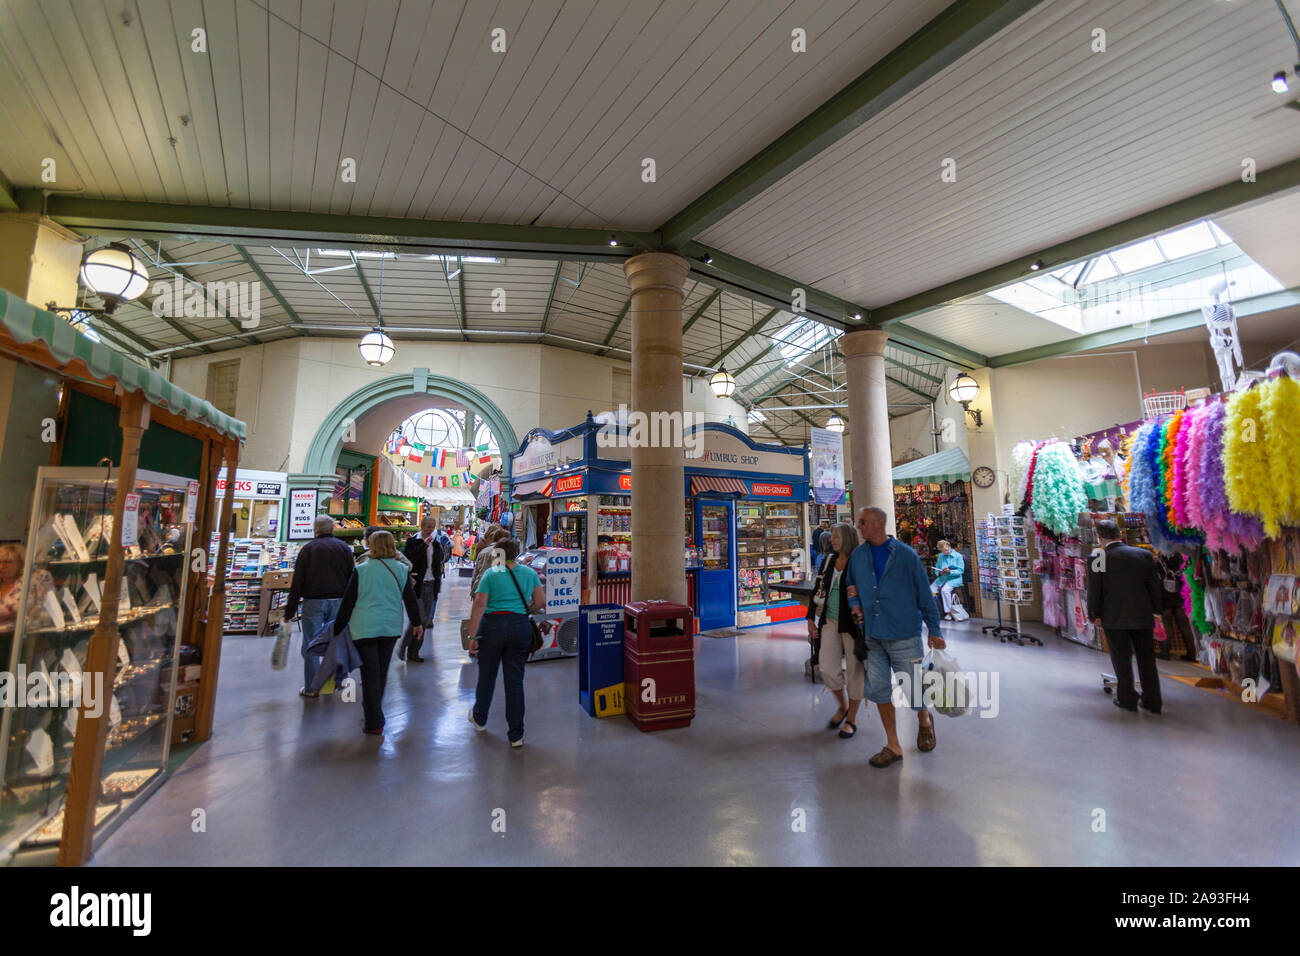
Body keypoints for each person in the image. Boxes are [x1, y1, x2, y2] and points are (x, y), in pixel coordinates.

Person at [845, 506, 944, 769]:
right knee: (879, 689)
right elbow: (850, 585)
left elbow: (925, 594)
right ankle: (893, 744)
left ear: (878, 523)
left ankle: (924, 720)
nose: (859, 526)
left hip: (904, 633)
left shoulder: (906, 556)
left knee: (913, 688)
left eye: (863, 522)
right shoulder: (858, 556)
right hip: (872, 635)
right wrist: (854, 604)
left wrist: (935, 630)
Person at [332, 531, 422, 735]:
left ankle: (374, 720)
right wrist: (417, 623)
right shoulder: (401, 569)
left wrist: (337, 628)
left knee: (370, 672)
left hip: (363, 627)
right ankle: (375, 713)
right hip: (390, 626)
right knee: (380, 671)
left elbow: (348, 602)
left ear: (371, 545)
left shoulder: (362, 570)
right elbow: (409, 598)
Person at [465, 538, 543, 748]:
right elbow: (541, 602)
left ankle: (480, 718)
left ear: (498, 553)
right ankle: (516, 734)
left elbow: (480, 603)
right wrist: (527, 609)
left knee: (487, 676)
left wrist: (473, 636)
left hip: (492, 627)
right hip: (519, 627)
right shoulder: (529, 573)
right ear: (516, 552)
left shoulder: (492, 573)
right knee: (515, 680)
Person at [1088, 519, 1163, 713]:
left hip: (1114, 616)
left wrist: (1093, 614)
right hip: (1142, 615)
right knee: (1147, 659)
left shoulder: (1099, 557)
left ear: (1099, 537)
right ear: (1120, 534)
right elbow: (1154, 586)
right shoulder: (1144, 555)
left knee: (1121, 659)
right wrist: (1157, 610)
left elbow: (1095, 590)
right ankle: (1152, 700)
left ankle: (1127, 698)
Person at [284, 515, 356, 699]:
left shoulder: (308, 549)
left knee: (311, 643)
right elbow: (352, 578)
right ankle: (335, 683)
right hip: (340, 601)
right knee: (337, 642)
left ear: (315, 530)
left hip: (313, 602)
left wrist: (290, 610)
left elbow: (298, 580)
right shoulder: (344, 549)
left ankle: (312, 687)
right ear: (333, 529)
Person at [806, 522, 865, 738]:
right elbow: (818, 589)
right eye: (832, 537)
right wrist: (811, 617)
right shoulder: (829, 560)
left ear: (847, 538)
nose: (831, 540)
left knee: (855, 672)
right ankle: (842, 705)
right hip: (829, 621)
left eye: (836, 537)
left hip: (853, 625)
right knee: (828, 668)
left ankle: (851, 718)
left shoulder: (859, 562)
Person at [399, 516, 444, 663]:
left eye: (433, 527)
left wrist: (438, 584)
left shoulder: (436, 544)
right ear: (422, 526)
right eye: (428, 527)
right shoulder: (413, 542)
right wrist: (423, 545)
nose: (430, 530)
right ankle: (404, 645)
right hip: (416, 585)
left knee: (423, 622)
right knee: (418, 618)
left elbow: (438, 563)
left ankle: (414, 652)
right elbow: (409, 559)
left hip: (431, 585)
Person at [469, 525, 508, 603]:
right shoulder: (489, 548)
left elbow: (478, 572)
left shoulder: (487, 546)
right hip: (488, 588)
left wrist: (474, 590)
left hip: (483, 586)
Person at [930, 540, 965, 620]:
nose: (945, 552)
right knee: (932, 590)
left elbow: (961, 571)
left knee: (945, 591)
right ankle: (938, 609)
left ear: (949, 546)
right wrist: (939, 572)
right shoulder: (941, 556)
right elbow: (937, 568)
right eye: (943, 551)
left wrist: (950, 571)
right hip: (942, 578)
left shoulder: (958, 556)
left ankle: (948, 612)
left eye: (946, 550)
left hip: (954, 579)